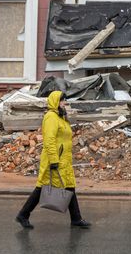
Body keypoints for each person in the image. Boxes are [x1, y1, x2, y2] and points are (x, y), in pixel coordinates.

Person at [16, 90, 91, 230]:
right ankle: (23, 214)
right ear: (56, 102)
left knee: (69, 186)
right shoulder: (51, 117)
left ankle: (76, 218)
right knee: (43, 186)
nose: (64, 103)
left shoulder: (60, 117)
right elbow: (49, 140)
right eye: (62, 100)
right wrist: (54, 160)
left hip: (64, 158)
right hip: (55, 159)